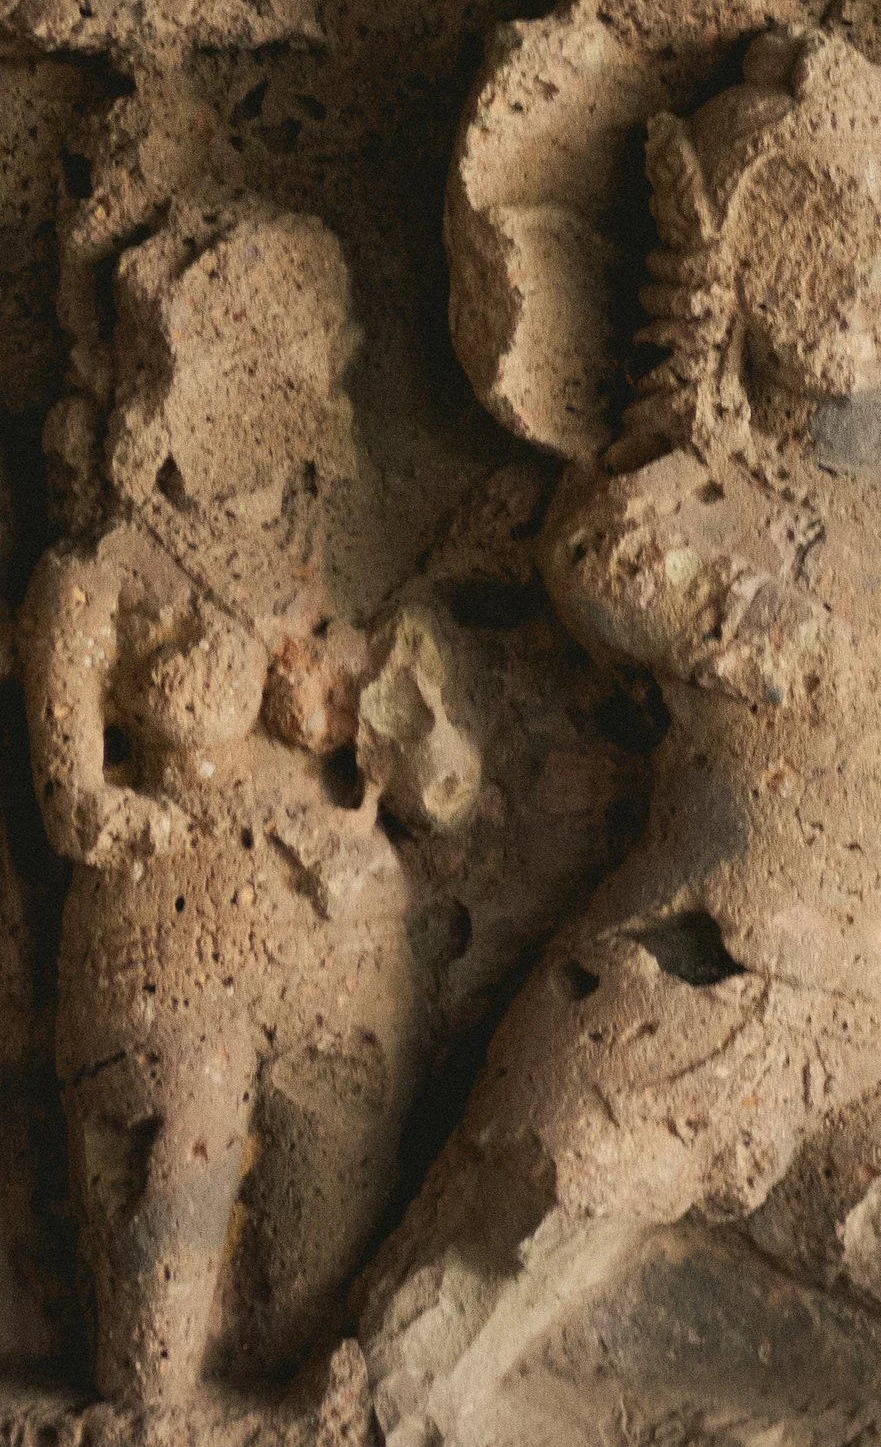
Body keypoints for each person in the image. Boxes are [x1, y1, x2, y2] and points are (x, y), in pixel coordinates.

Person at [360, 28, 881, 1447]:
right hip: (671, 1004)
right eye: (819, 219)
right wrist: (870, 676)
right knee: (404, 1374)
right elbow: (632, 586)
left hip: (872, 1048)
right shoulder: (677, 504)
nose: (874, 262)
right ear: (725, 274)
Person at [21, 204, 423, 1415]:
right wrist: (119, 812)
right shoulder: (96, 576)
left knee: (307, 1303)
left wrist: (378, 712)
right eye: (241, 363)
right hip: (168, 939)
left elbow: (401, 738)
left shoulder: (306, 558)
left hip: (330, 939)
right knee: (163, 1292)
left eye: (292, 359)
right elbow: (71, 799)